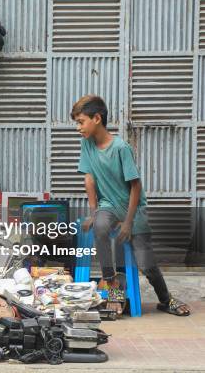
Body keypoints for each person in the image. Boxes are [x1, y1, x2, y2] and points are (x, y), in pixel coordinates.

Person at [72, 94, 190, 316]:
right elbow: (89, 178)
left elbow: (135, 186)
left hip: (132, 208)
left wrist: (127, 223)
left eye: (81, 122)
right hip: (108, 204)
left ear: (97, 118)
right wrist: (94, 212)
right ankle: (113, 288)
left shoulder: (120, 147)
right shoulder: (87, 145)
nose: (78, 128)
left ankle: (166, 299)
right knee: (100, 227)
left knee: (145, 262)